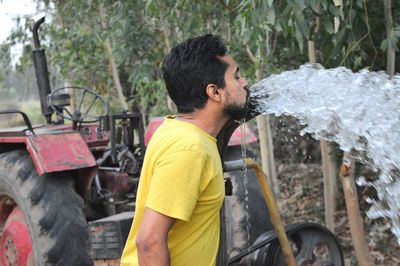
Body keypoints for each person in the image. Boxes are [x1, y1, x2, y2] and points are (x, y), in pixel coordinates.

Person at [121, 34, 249, 266]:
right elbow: (148, 242)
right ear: (215, 92)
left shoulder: (175, 129)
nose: (244, 83)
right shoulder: (190, 149)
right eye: (236, 76)